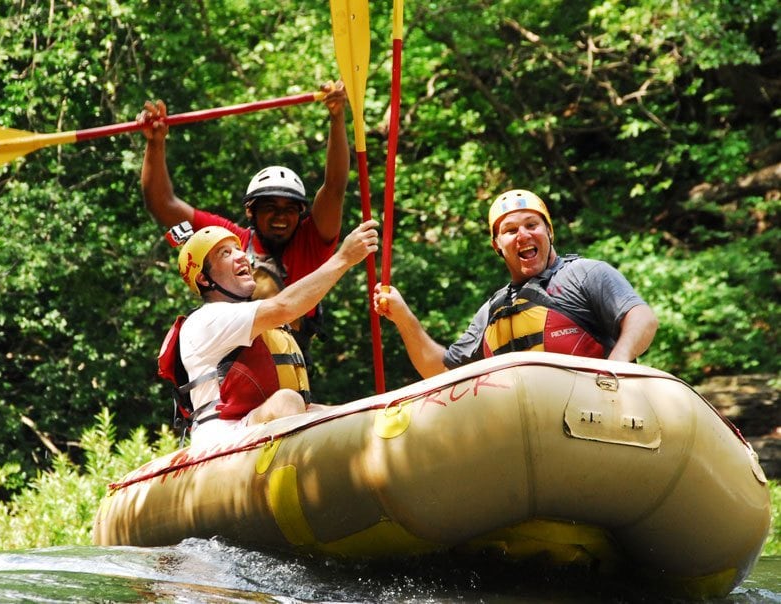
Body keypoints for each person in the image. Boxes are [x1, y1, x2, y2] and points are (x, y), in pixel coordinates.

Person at [138, 80, 350, 355]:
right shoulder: (229, 241)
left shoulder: (313, 242)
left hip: (286, 366)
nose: (280, 217)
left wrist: (337, 117)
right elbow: (162, 204)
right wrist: (155, 144)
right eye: (270, 208)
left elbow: (334, 187)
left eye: (289, 209)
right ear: (251, 211)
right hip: (231, 364)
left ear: (301, 215)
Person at [373, 189, 658, 379]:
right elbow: (441, 371)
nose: (522, 235)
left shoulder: (585, 273)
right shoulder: (491, 311)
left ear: (549, 231)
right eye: (510, 230)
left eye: (532, 225)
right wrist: (403, 317)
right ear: (497, 245)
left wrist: (616, 365)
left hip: (600, 409)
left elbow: (642, 318)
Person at [173, 219, 379, 448]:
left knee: (347, 413)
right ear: (204, 278)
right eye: (225, 253)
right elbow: (285, 307)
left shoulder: (246, 319)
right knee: (287, 401)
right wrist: (343, 258)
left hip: (256, 428)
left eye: (239, 249)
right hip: (222, 442)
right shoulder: (206, 319)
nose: (241, 256)